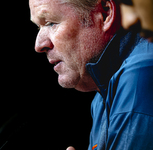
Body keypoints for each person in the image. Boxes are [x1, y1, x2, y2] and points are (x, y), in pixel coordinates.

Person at [29, 0, 153, 150]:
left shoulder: (139, 80)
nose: (39, 45)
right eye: (38, 26)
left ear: (105, 14)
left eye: (50, 23)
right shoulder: (101, 97)